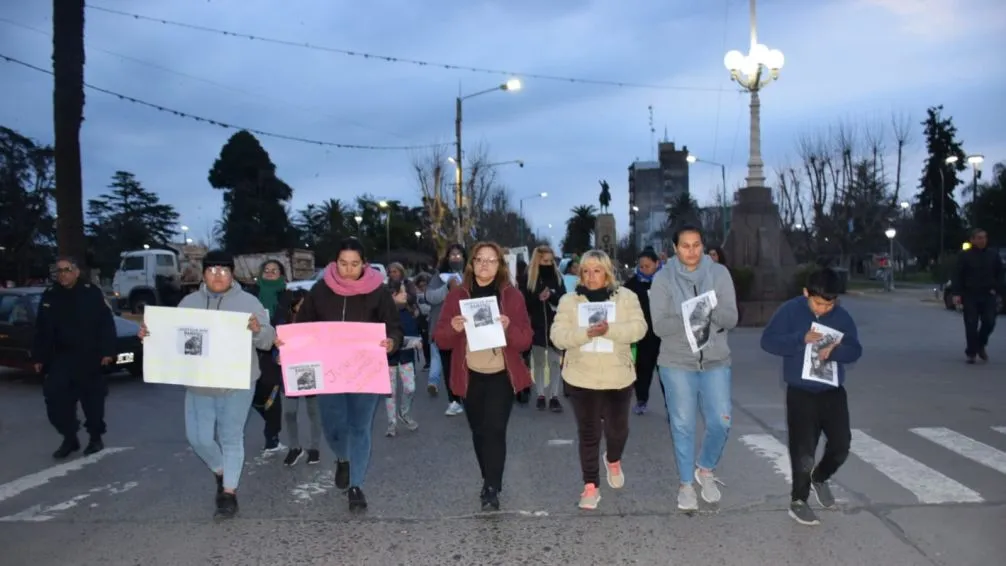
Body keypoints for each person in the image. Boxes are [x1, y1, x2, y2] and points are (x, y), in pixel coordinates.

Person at [139, 250, 275, 519]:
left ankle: (229, 494)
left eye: (223, 270)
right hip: (199, 383)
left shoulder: (249, 302)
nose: (218, 276)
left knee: (230, 437)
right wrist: (150, 334)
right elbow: (172, 338)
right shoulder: (188, 302)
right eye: (212, 271)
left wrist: (258, 330)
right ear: (203, 274)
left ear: (232, 273)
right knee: (198, 438)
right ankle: (221, 470)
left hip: (237, 382)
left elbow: (269, 339)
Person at [289, 238, 402, 511]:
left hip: (365, 371)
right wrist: (288, 345)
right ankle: (343, 458)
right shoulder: (320, 290)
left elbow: (394, 327)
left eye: (354, 264)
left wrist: (391, 342)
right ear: (334, 262)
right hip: (330, 372)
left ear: (363, 264)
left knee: (360, 427)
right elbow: (302, 326)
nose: (348, 269)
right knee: (334, 426)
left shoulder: (378, 291)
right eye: (343, 263)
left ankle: (356, 485)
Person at [433, 241, 533, 510]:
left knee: (495, 429)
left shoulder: (512, 296)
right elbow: (440, 339)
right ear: (472, 263)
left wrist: (509, 327)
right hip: (470, 374)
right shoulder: (457, 296)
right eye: (479, 259)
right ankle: (488, 477)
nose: (485, 264)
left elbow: (525, 341)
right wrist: (453, 328)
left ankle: (492, 485)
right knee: (479, 431)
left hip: (502, 373)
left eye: (491, 260)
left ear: (500, 265)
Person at [760, 268, 863, 525]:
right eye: (818, 303)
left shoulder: (841, 316)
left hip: (832, 391)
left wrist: (837, 351)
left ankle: (820, 477)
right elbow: (768, 341)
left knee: (841, 445)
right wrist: (799, 339)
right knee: (803, 449)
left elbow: (855, 349)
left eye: (829, 304)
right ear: (806, 293)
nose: (824, 309)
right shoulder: (790, 311)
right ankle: (799, 500)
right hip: (801, 392)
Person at [649, 225, 738, 511]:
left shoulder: (720, 274)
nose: (691, 251)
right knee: (683, 424)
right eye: (685, 245)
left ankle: (706, 468)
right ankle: (686, 484)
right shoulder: (663, 279)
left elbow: (732, 318)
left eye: (696, 244)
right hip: (677, 362)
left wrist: (710, 313)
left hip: (715, 360)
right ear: (675, 248)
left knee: (721, 422)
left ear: (703, 245)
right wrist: (691, 313)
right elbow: (660, 326)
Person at [550, 249, 647, 509]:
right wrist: (586, 334)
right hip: (581, 377)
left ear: (607, 271)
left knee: (618, 431)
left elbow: (639, 329)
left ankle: (613, 459)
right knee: (589, 433)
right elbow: (557, 336)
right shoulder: (570, 301)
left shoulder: (626, 297)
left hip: (618, 376)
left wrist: (610, 330)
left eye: (597, 270)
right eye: (586, 271)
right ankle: (590, 486)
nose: (591, 276)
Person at [31, 256, 117, 459]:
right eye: (59, 271)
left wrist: (107, 352)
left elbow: (106, 324)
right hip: (60, 359)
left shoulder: (91, 293)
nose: (62, 274)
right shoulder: (50, 295)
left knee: (93, 403)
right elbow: (41, 329)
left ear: (76, 272)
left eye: (67, 269)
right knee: (55, 401)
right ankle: (70, 437)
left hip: (89, 357)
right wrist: (38, 357)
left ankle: (95, 437)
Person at [275, 290, 323, 467]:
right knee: (289, 412)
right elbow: (274, 344)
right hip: (289, 372)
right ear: (294, 306)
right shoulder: (283, 324)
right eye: (300, 304)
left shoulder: (318, 324)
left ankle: (314, 448)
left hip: (312, 370)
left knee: (314, 411)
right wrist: (277, 356)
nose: (304, 307)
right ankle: (294, 447)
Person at [518, 245, 566, 412]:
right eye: (544, 260)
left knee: (554, 362)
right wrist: (537, 298)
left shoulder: (558, 277)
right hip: (536, 324)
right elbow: (522, 303)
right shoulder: (527, 278)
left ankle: (554, 396)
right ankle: (540, 394)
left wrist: (552, 295)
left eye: (551, 260)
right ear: (537, 260)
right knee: (538, 362)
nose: (548, 263)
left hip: (555, 325)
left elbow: (564, 299)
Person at [247, 260, 287, 452]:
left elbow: (293, 322)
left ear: (281, 275)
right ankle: (271, 425)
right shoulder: (249, 296)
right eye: (267, 270)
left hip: (274, 352)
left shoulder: (288, 296)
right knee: (253, 393)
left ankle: (272, 435)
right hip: (250, 349)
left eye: (275, 271)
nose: (270, 273)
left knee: (272, 394)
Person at [952, 229, 1004, 364]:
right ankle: (971, 352)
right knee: (971, 324)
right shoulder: (964, 256)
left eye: (984, 237)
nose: (982, 240)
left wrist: (997, 289)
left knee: (990, 321)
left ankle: (980, 344)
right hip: (970, 294)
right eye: (979, 238)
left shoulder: (993, 255)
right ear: (972, 240)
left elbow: (1000, 274)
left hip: (988, 294)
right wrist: (957, 293)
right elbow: (957, 275)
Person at [621, 248, 663, 415]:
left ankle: (672, 406)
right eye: (641, 266)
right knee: (643, 369)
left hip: (665, 335)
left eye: (648, 266)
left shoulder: (666, 282)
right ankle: (641, 400)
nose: (644, 269)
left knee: (667, 373)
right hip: (643, 335)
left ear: (657, 264)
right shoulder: (632, 285)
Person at [426, 244, 466, 414]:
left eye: (459, 255)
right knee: (448, 366)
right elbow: (430, 297)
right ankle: (454, 400)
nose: (455, 258)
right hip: (443, 329)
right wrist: (447, 288)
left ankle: (467, 397)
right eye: (452, 255)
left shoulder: (471, 274)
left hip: (466, 329)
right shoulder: (438, 277)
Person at [385, 275, 421, 437]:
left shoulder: (409, 310)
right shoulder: (383, 314)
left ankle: (404, 412)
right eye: (402, 292)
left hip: (406, 357)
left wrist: (417, 341)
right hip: (388, 359)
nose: (405, 294)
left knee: (410, 387)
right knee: (390, 392)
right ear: (392, 295)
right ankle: (391, 423)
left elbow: (415, 332)